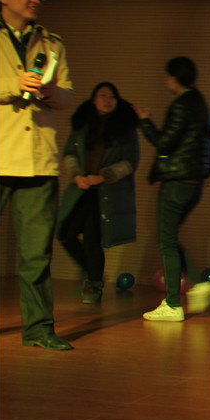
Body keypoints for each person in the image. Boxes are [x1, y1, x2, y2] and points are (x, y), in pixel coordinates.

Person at [0, 0, 75, 350]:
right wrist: (15, 83)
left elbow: (68, 96)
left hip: (39, 160)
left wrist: (50, 92)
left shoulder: (51, 43)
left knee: (36, 254)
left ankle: (40, 330)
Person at [135, 56, 210, 322]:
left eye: (167, 76)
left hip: (177, 181)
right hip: (195, 181)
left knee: (166, 240)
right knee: (169, 237)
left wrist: (144, 121)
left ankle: (172, 304)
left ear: (173, 78)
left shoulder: (182, 104)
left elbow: (164, 143)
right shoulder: (201, 103)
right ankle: (198, 283)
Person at [58, 82, 140, 303]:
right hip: (81, 189)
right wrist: (76, 176)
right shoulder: (82, 124)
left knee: (92, 238)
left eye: (112, 96)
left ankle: (94, 285)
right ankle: (92, 272)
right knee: (65, 232)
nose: (107, 100)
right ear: (94, 99)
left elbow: (131, 162)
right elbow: (70, 153)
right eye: (102, 95)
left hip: (105, 193)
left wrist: (103, 176)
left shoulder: (124, 128)